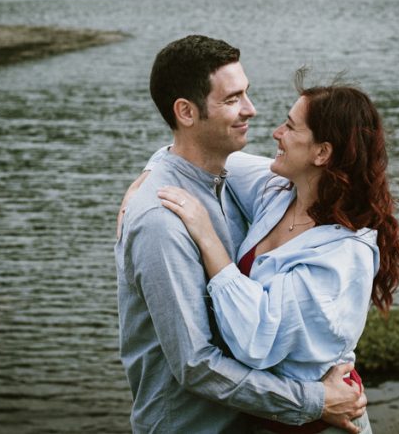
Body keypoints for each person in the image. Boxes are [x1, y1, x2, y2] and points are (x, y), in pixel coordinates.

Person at [115, 35, 367, 433]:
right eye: (233, 99)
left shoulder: (234, 179)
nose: (250, 110)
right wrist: (317, 401)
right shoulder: (160, 221)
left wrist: (152, 165)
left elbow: (320, 170)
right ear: (185, 111)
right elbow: (195, 364)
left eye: (246, 93)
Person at [151, 70, 399, 433]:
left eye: (290, 127)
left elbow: (255, 340)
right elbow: (193, 155)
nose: (276, 133)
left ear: (322, 153)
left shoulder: (342, 254)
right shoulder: (279, 190)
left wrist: (207, 238)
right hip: (274, 419)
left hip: (322, 425)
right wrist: (147, 182)